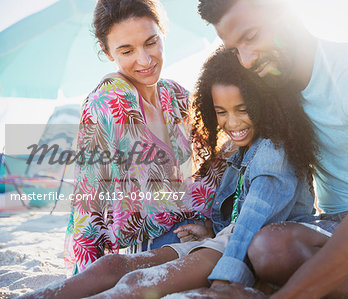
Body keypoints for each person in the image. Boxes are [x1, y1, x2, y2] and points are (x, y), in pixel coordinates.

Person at [192, 0, 348, 298]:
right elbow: (252, 163)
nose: (246, 60)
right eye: (235, 50)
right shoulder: (271, 93)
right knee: (271, 249)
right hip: (338, 227)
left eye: (250, 37)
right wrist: (211, 225)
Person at [21, 48, 319, 298]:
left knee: (137, 284)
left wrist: (226, 278)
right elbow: (234, 210)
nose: (232, 122)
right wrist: (209, 229)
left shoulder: (273, 152)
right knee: (113, 266)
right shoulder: (240, 149)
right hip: (225, 238)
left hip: (247, 247)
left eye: (243, 109)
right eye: (221, 112)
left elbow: (253, 220)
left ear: (265, 104)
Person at [63, 0, 228, 277]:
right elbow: (89, 200)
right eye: (127, 50)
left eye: (151, 42)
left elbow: (215, 169)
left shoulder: (176, 96)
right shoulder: (107, 101)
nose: (145, 60)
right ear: (107, 52)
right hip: (153, 248)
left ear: (163, 33)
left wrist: (212, 226)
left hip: (205, 235)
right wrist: (87, 281)